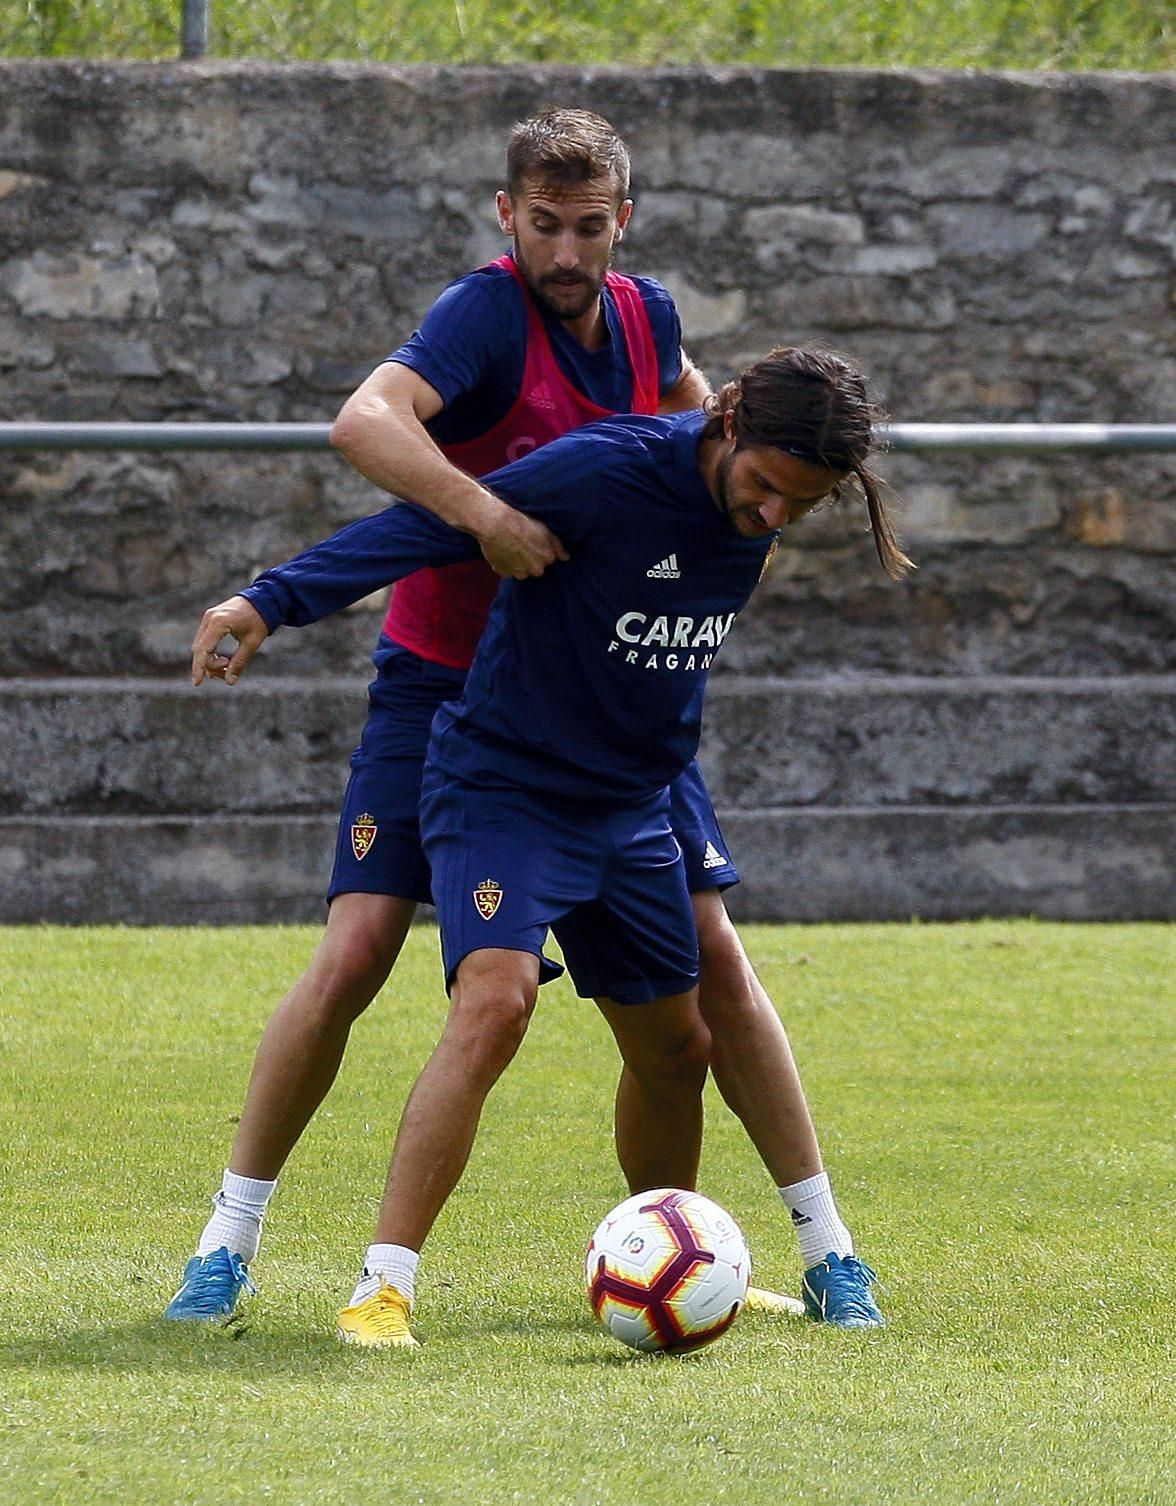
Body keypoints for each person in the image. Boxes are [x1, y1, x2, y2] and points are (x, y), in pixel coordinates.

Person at [166, 109, 877, 1331]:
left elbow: (716, 443)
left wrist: (735, 487)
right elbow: (364, 428)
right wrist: (477, 519)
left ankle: (738, 1251)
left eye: (589, 227)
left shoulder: (654, 334)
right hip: (451, 686)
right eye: (545, 224)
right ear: (509, 216)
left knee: (708, 980)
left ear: (623, 224)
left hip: (610, 709)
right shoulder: (487, 315)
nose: (567, 250)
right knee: (362, 957)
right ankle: (228, 1242)